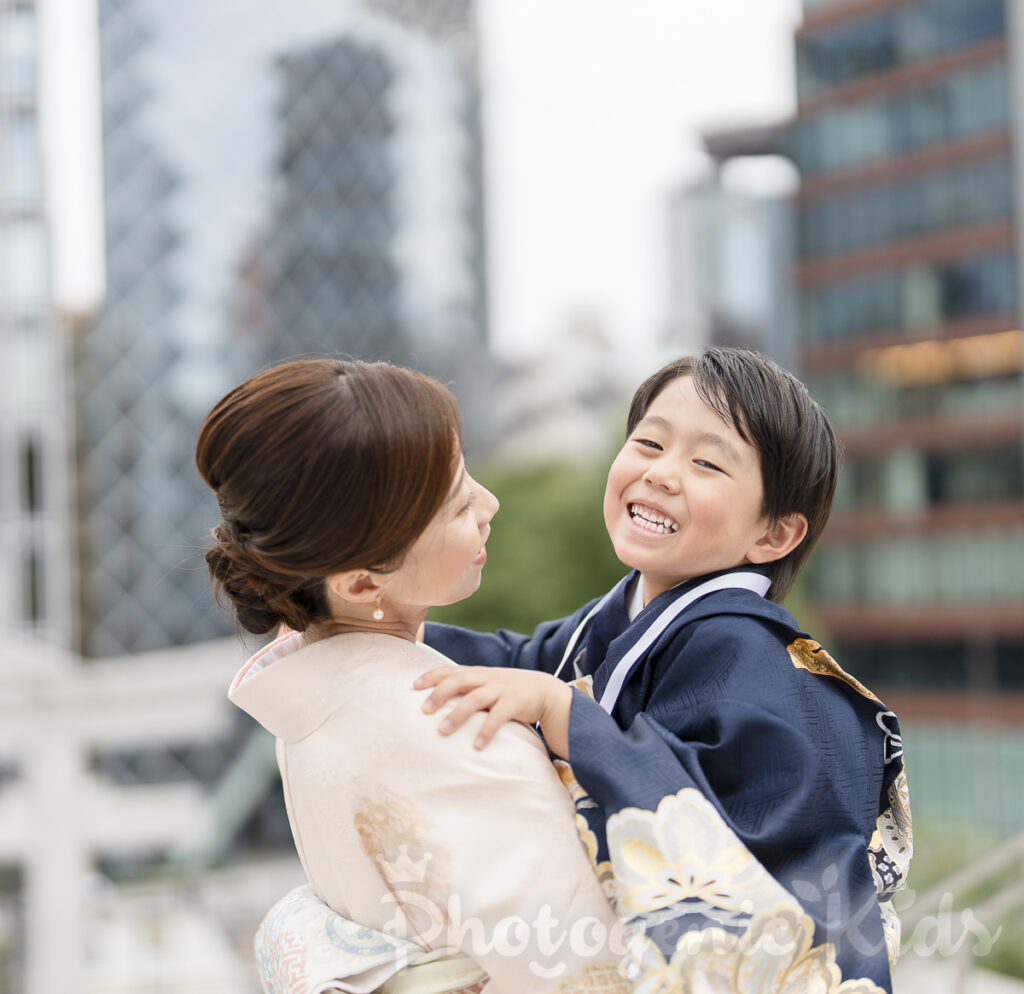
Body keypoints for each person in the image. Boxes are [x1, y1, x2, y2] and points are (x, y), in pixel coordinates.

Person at [414, 348, 913, 993]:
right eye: (649, 443)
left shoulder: (750, 652)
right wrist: (392, 633)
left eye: (707, 463)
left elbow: (728, 817)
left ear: (773, 535)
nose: (662, 474)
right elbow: (518, 664)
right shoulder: (620, 614)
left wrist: (562, 713)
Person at [196, 358, 628, 994]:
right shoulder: (453, 725)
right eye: (456, 508)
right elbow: (590, 977)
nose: (490, 504)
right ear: (361, 581)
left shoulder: (313, 698)